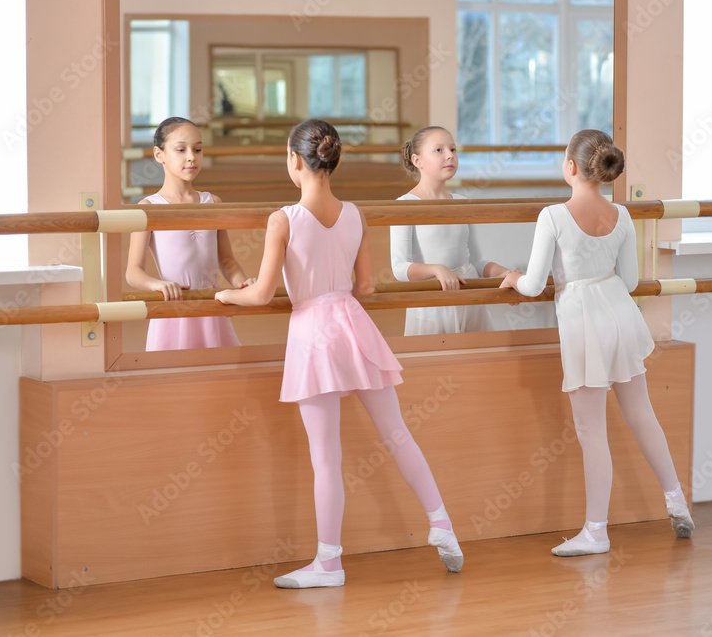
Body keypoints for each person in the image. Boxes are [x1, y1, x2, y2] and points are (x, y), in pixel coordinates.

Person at [215, 119, 463, 588]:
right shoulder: (355, 213)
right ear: (337, 160)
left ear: (293, 160)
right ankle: (442, 523)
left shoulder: (283, 218)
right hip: (354, 324)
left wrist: (228, 296)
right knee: (398, 434)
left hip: (312, 333)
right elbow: (365, 285)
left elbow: (262, 294)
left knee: (325, 456)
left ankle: (329, 563)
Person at [499, 129, 695, 556]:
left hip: (583, 323)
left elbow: (532, 286)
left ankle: (596, 531)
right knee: (642, 414)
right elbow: (629, 281)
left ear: (570, 166)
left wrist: (511, 276)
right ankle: (676, 500)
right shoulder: (622, 215)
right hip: (620, 315)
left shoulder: (553, 215)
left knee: (592, 431)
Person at [125, 117, 254, 351]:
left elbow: (227, 261)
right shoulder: (149, 207)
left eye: (198, 149)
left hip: (210, 306)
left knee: (217, 376)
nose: (191, 157)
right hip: (175, 307)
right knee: (175, 378)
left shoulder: (213, 202)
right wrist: (158, 285)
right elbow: (133, 272)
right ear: (159, 154)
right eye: (181, 149)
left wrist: (242, 283)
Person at [391, 126, 517, 335]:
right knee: (436, 364)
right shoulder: (404, 205)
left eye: (453, 149)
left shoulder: (463, 203)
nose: (450, 155)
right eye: (439, 150)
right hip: (431, 302)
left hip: (468, 297)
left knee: (477, 363)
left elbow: (476, 262)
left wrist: (505, 273)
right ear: (417, 160)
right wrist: (437, 270)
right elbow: (399, 268)